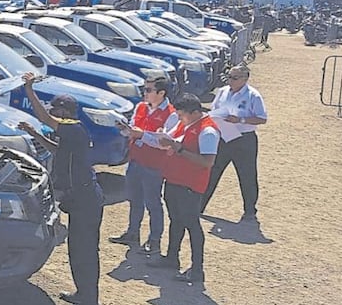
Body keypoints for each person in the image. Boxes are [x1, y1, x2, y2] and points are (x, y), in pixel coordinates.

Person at [17, 73, 104, 305]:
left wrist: (28, 88)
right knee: (77, 251)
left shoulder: (73, 128)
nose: (52, 113)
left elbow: (44, 116)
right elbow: (57, 150)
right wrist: (34, 134)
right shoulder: (72, 133)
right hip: (81, 200)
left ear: (66, 111)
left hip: (85, 201)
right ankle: (83, 295)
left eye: (57, 109)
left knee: (85, 253)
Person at [147, 94, 220, 283]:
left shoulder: (208, 131)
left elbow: (207, 162)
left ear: (195, 113)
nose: (179, 118)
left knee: (191, 224)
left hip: (190, 185)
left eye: (182, 115)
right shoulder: (187, 124)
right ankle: (172, 257)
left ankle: (197, 269)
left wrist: (178, 149)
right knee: (176, 221)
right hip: (175, 181)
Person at [109, 76, 178, 254]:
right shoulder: (141, 107)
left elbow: (164, 143)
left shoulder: (171, 114)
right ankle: (133, 233)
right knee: (134, 199)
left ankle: (154, 240)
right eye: (144, 89)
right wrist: (125, 129)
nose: (144, 93)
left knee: (153, 203)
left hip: (154, 166)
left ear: (161, 93)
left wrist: (141, 135)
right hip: (136, 160)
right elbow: (132, 129)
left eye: (148, 90)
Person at [202, 65, 267, 221]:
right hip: (223, 137)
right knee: (212, 171)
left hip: (244, 139)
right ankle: (200, 205)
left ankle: (250, 210)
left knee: (247, 175)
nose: (230, 80)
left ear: (245, 79)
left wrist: (241, 120)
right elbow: (214, 110)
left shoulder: (253, 96)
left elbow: (262, 118)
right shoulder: (222, 92)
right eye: (229, 76)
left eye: (234, 78)